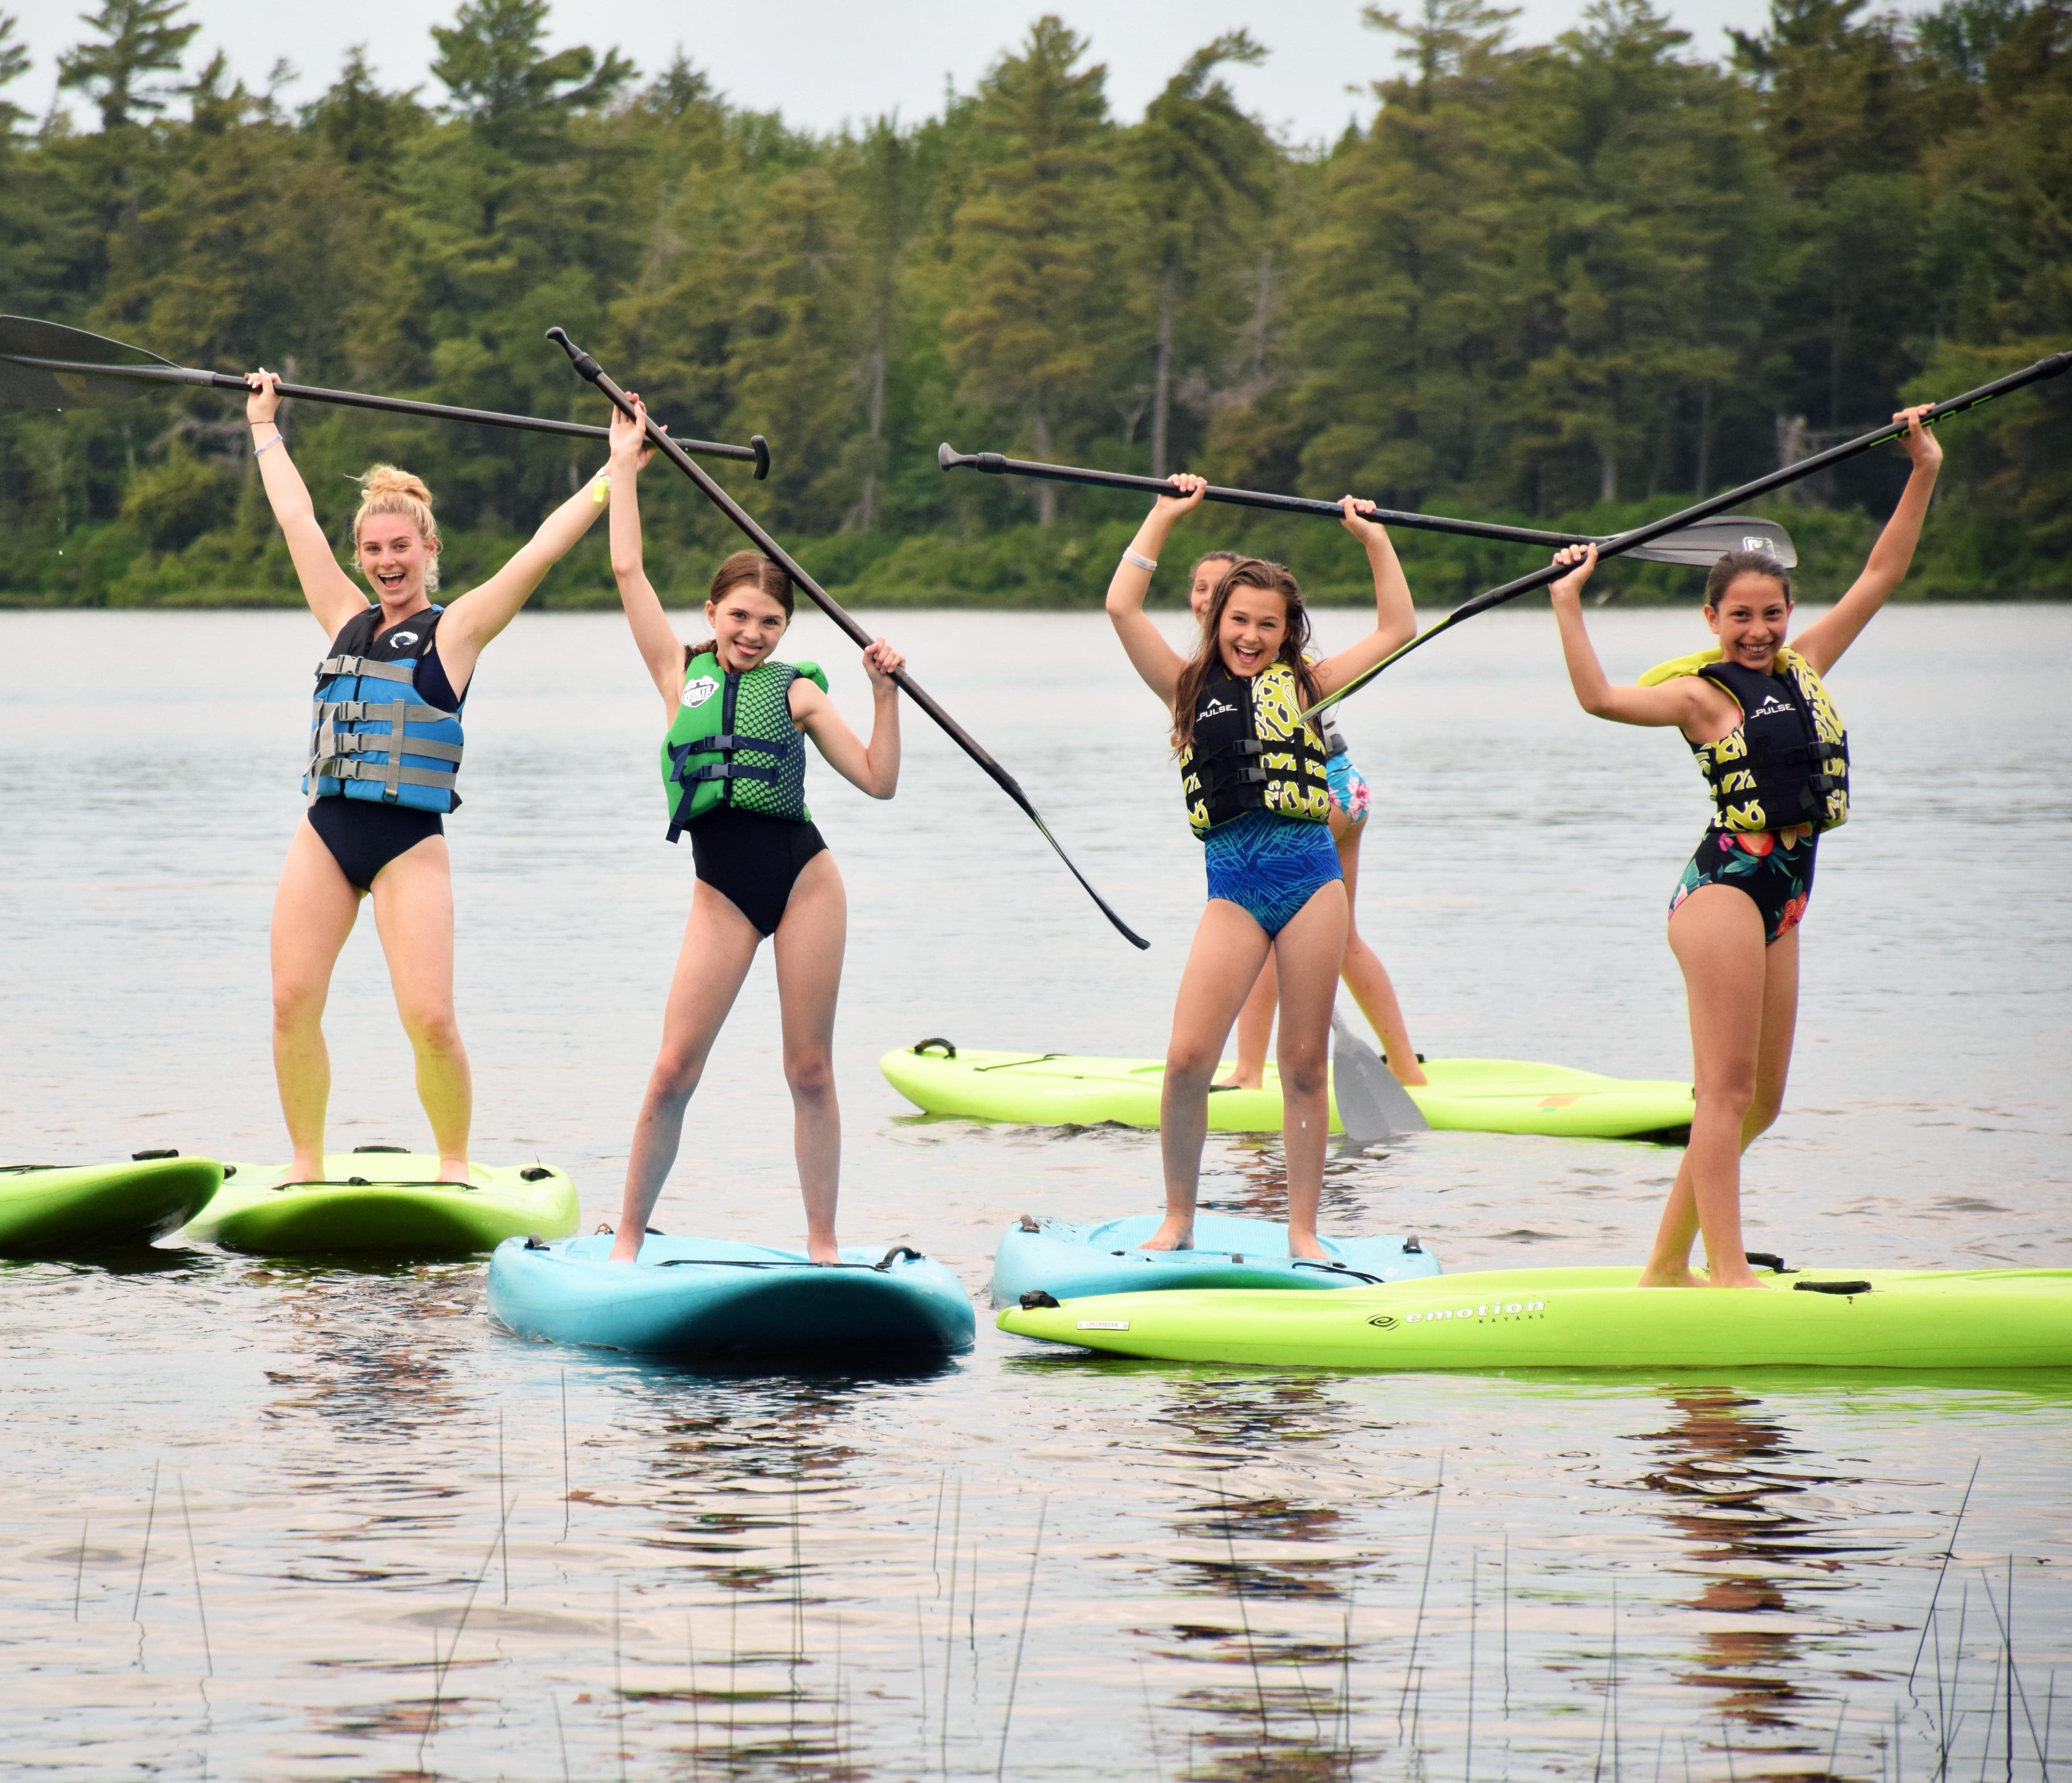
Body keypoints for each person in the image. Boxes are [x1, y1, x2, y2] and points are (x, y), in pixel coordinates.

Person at [1546, 405, 1942, 1288]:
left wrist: (1921, 467)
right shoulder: (1699, 696)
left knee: (1759, 1101)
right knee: (1720, 1095)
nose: (1756, 630)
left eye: (1769, 613)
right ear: (1711, 616)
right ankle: (1725, 1274)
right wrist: (1566, 602)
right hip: (1722, 891)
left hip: (1786, 897)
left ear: (1786, 610)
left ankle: (1662, 1265)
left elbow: (1881, 572)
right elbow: (1598, 699)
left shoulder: (1803, 666)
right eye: (1738, 617)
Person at [247, 368, 610, 1185]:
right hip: (328, 834)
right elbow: (295, 516)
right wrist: (264, 423)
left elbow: (542, 549)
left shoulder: (458, 633)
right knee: (290, 1003)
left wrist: (612, 473)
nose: (386, 563)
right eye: (373, 550)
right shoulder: (343, 617)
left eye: (400, 548)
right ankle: (306, 1164)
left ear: (428, 550)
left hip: (409, 842)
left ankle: (453, 1166)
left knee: (432, 1020)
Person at [601, 397, 905, 1264]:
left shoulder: (798, 690)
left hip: (805, 880)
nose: (750, 633)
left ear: (784, 632)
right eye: (738, 616)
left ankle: (821, 1247)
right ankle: (625, 1242)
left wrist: (884, 692)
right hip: (720, 892)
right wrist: (624, 464)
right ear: (711, 613)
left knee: (808, 1068)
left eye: (768, 622)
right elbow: (627, 569)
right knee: (672, 1071)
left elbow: (879, 782)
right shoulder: (676, 671)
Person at [1107, 476, 1419, 1259]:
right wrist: (1165, 514)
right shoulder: (1183, 689)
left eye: (1266, 626)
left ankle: (1305, 1233)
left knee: (1304, 1064)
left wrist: (1373, 538)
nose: (1249, 636)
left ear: (1287, 636)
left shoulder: (1308, 689)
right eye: (1237, 621)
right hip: (1234, 891)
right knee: (1185, 1061)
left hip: (1310, 882)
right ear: (1216, 621)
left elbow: (1398, 627)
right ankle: (1177, 1219)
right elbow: (1120, 607)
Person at [1182, 551, 1428, 1090]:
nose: (1204, 597)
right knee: (1343, 942)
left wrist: (1370, 537)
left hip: (1329, 792)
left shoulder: (1275, 666)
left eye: (1214, 589)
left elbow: (1396, 630)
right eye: (1198, 588)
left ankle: (1249, 1071)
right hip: (1349, 786)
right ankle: (1407, 1068)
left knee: (1271, 912)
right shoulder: (1220, 669)